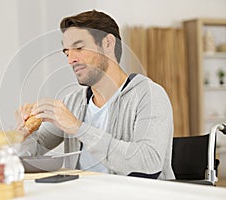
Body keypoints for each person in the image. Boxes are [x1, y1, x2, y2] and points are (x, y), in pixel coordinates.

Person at [15, 10, 175, 180]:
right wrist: (24, 135)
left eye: (79, 48)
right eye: (67, 52)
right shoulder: (73, 102)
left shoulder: (149, 95)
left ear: (108, 43)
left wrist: (77, 127)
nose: (71, 60)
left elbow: (148, 162)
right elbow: (33, 153)